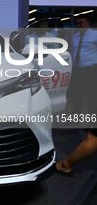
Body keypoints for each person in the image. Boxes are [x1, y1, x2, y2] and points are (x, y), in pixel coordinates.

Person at [56, 16, 97, 174]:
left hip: (91, 70)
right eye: (77, 22)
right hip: (78, 71)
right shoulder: (74, 37)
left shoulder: (94, 35)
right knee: (76, 97)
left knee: (92, 98)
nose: (79, 24)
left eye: (81, 21)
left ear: (87, 21)